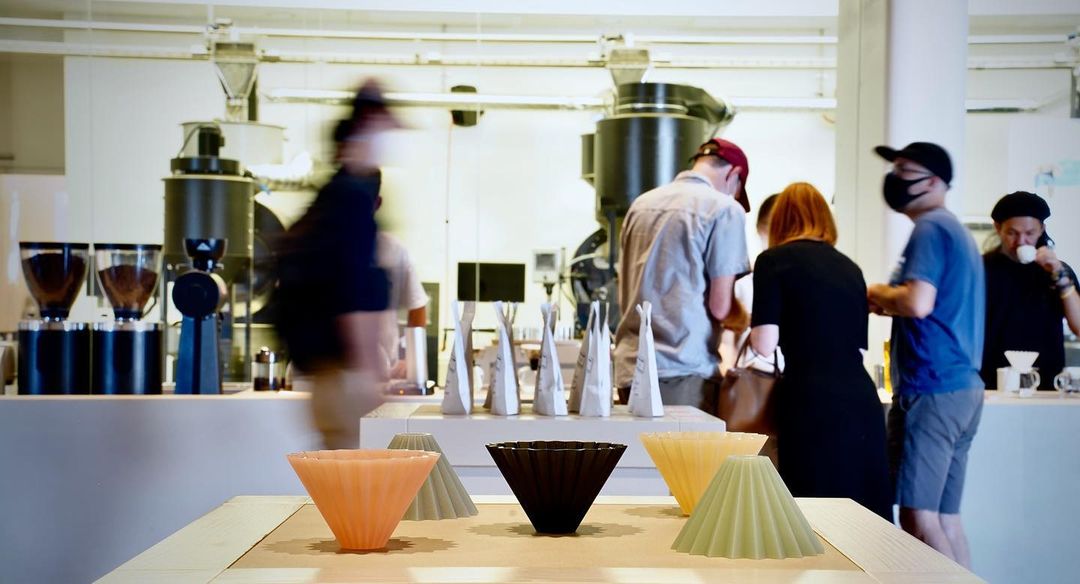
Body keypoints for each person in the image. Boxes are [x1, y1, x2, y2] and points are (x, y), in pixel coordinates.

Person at [866, 142, 985, 568]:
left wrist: (875, 292)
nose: (894, 177)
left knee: (918, 519)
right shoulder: (957, 232)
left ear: (934, 182)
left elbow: (918, 302)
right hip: (962, 389)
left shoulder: (931, 228)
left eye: (904, 169)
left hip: (932, 388)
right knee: (946, 520)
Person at [748, 182, 891, 520]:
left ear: (780, 219)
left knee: (811, 513)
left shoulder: (772, 261)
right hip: (861, 400)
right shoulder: (850, 268)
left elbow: (764, 343)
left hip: (810, 399)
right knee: (863, 516)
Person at [273, 80, 400, 449]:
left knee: (341, 474)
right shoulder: (351, 200)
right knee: (355, 477)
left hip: (326, 380)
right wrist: (369, 369)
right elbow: (351, 289)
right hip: (345, 378)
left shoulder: (328, 200)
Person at [614, 138, 751, 412]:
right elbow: (720, 306)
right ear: (734, 174)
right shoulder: (725, 209)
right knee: (683, 444)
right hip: (684, 369)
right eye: (737, 190)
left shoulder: (640, 205)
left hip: (631, 367)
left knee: (638, 442)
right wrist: (746, 320)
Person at [980, 191, 1080, 390]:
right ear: (998, 228)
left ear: (1041, 229)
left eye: (1029, 233)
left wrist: (1059, 276)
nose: (1021, 241)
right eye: (1012, 233)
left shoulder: (1057, 271)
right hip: (990, 380)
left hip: (1046, 381)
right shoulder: (979, 269)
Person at [372, 174, 430, 379]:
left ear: (377, 203)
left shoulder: (393, 250)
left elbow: (417, 305)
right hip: (335, 373)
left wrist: (411, 360)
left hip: (383, 373)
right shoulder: (326, 248)